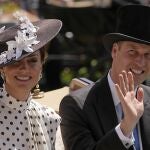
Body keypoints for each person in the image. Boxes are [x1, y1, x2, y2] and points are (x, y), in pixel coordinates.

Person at [59, 4, 150, 150]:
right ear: (115, 51)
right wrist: (125, 128)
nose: (141, 62)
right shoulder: (77, 105)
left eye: (148, 54)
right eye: (132, 51)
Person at [0, 12, 62, 149]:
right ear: (2, 69)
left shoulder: (50, 118)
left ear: (41, 65)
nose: (24, 68)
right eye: (16, 61)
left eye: (33, 60)